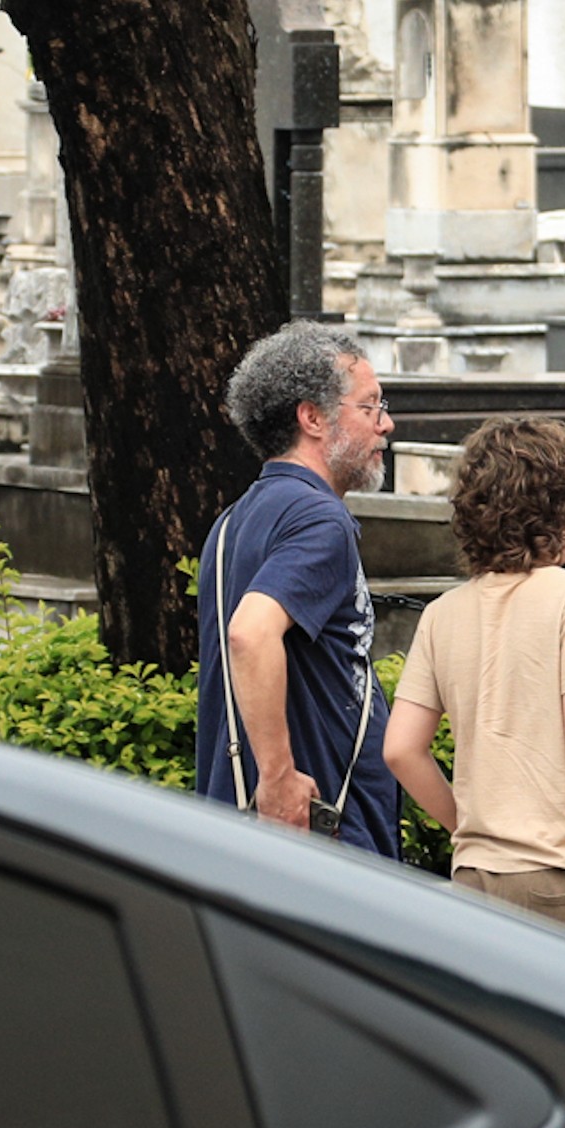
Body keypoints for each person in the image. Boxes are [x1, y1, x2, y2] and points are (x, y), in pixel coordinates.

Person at [382, 418, 565, 962]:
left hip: (478, 880)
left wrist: (471, 828)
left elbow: (400, 749)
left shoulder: (443, 614)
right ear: (555, 511)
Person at [197, 321, 399, 858]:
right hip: (319, 835)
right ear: (312, 418)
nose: (386, 424)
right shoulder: (319, 519)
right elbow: (249, 634)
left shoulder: (232, 522)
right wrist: (280, 780)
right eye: (370, 407)